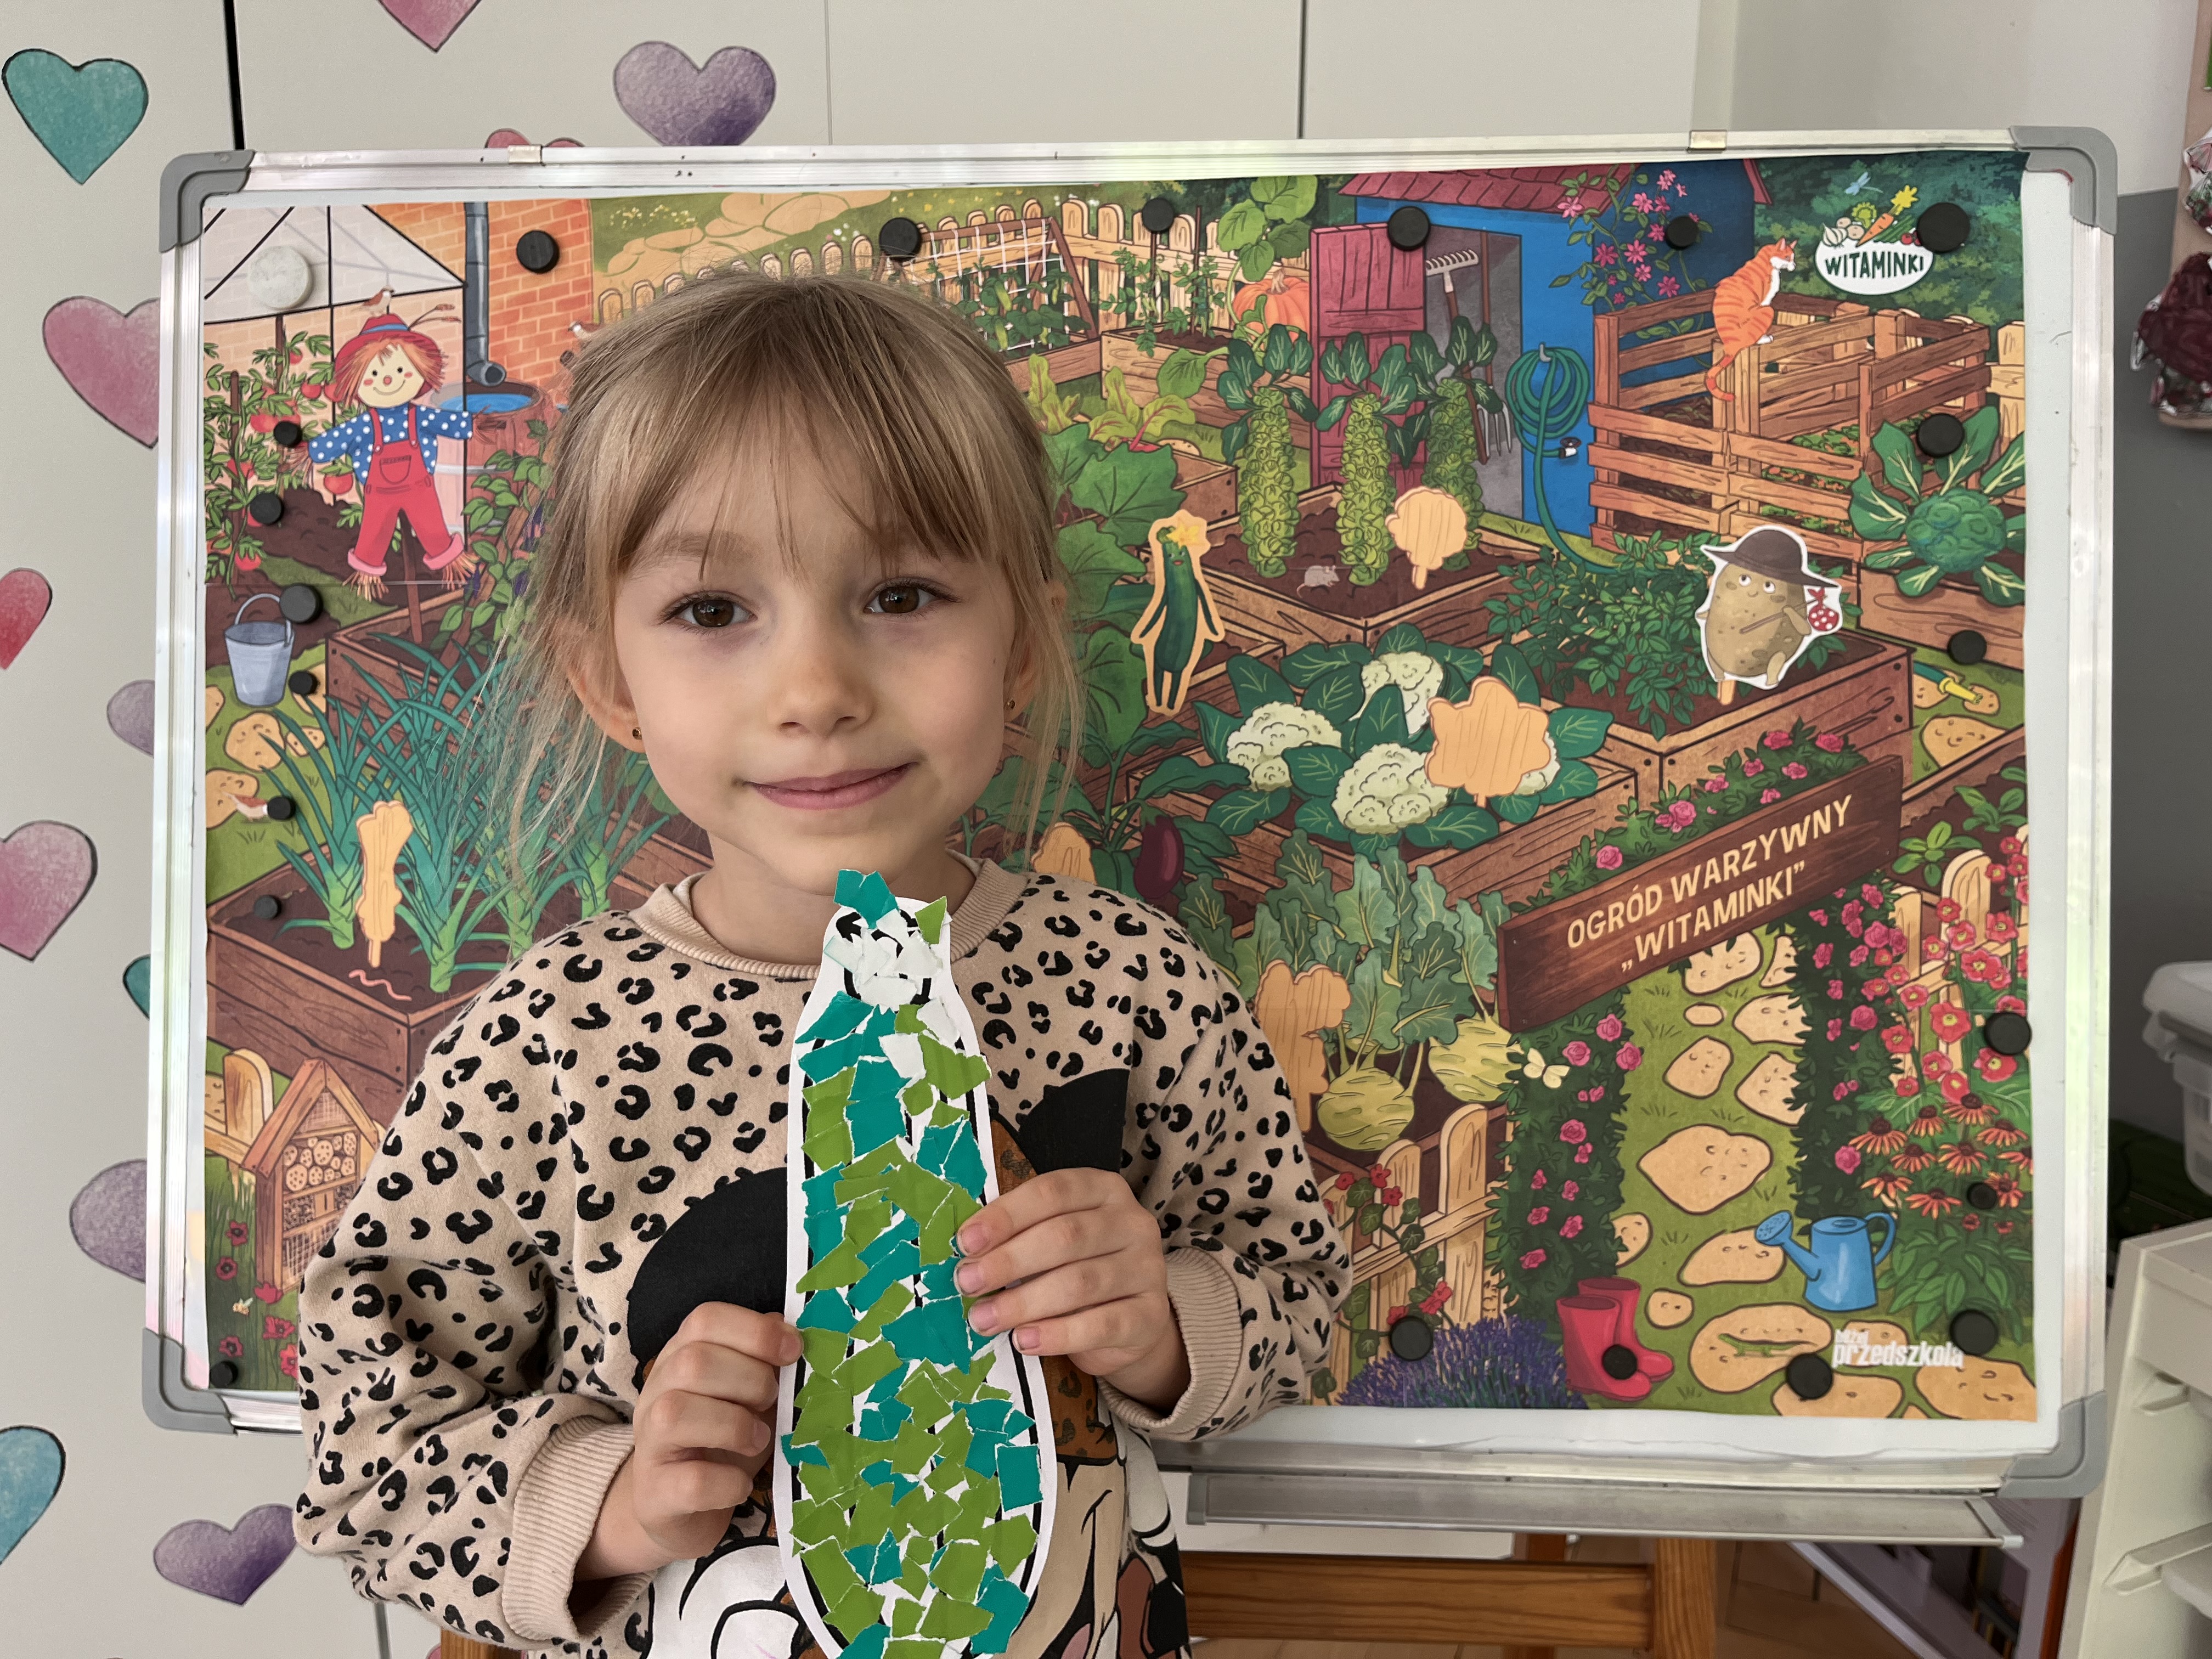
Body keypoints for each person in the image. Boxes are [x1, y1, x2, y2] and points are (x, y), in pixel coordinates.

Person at [292, 270, 1348, 1659]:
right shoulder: (544, 1044)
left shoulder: (1132, 988)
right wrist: (606, 1505)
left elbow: (1297, 1296)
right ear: (607, 679)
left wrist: (1163, 1327)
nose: (817, 692)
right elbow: (367, 1456)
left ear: (1019, 647)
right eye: (712, 610)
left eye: (901, 594)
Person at [307, 292, 478, 599]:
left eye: (400, 371)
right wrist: (312, 451)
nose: (388, 380)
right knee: (372, 537)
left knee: (435, 532)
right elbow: (337, 440)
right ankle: (367, 580)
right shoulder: (364, 425)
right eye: (374, 374)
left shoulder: (420, 416)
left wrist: (475, 423)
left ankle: (457, 573)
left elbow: (450, 423)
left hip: (420, 489)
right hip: (379, 495)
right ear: (357, 383)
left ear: (419, 372)